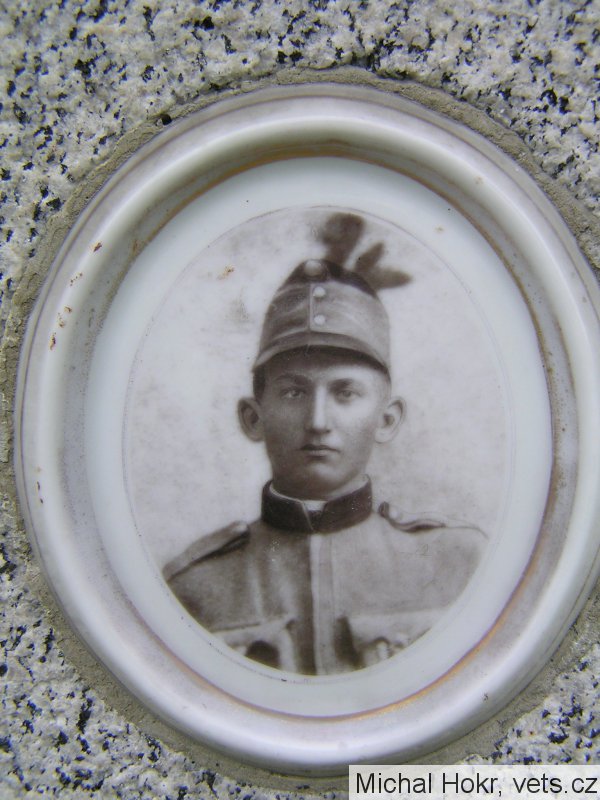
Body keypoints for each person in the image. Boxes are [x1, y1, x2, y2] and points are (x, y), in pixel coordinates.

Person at [165, 253, 486, 675]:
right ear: (253, 418)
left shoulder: (460, 563)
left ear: (387, 419)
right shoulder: (192, 588)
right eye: (294, 393)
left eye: (345, 393)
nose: (318, 422)